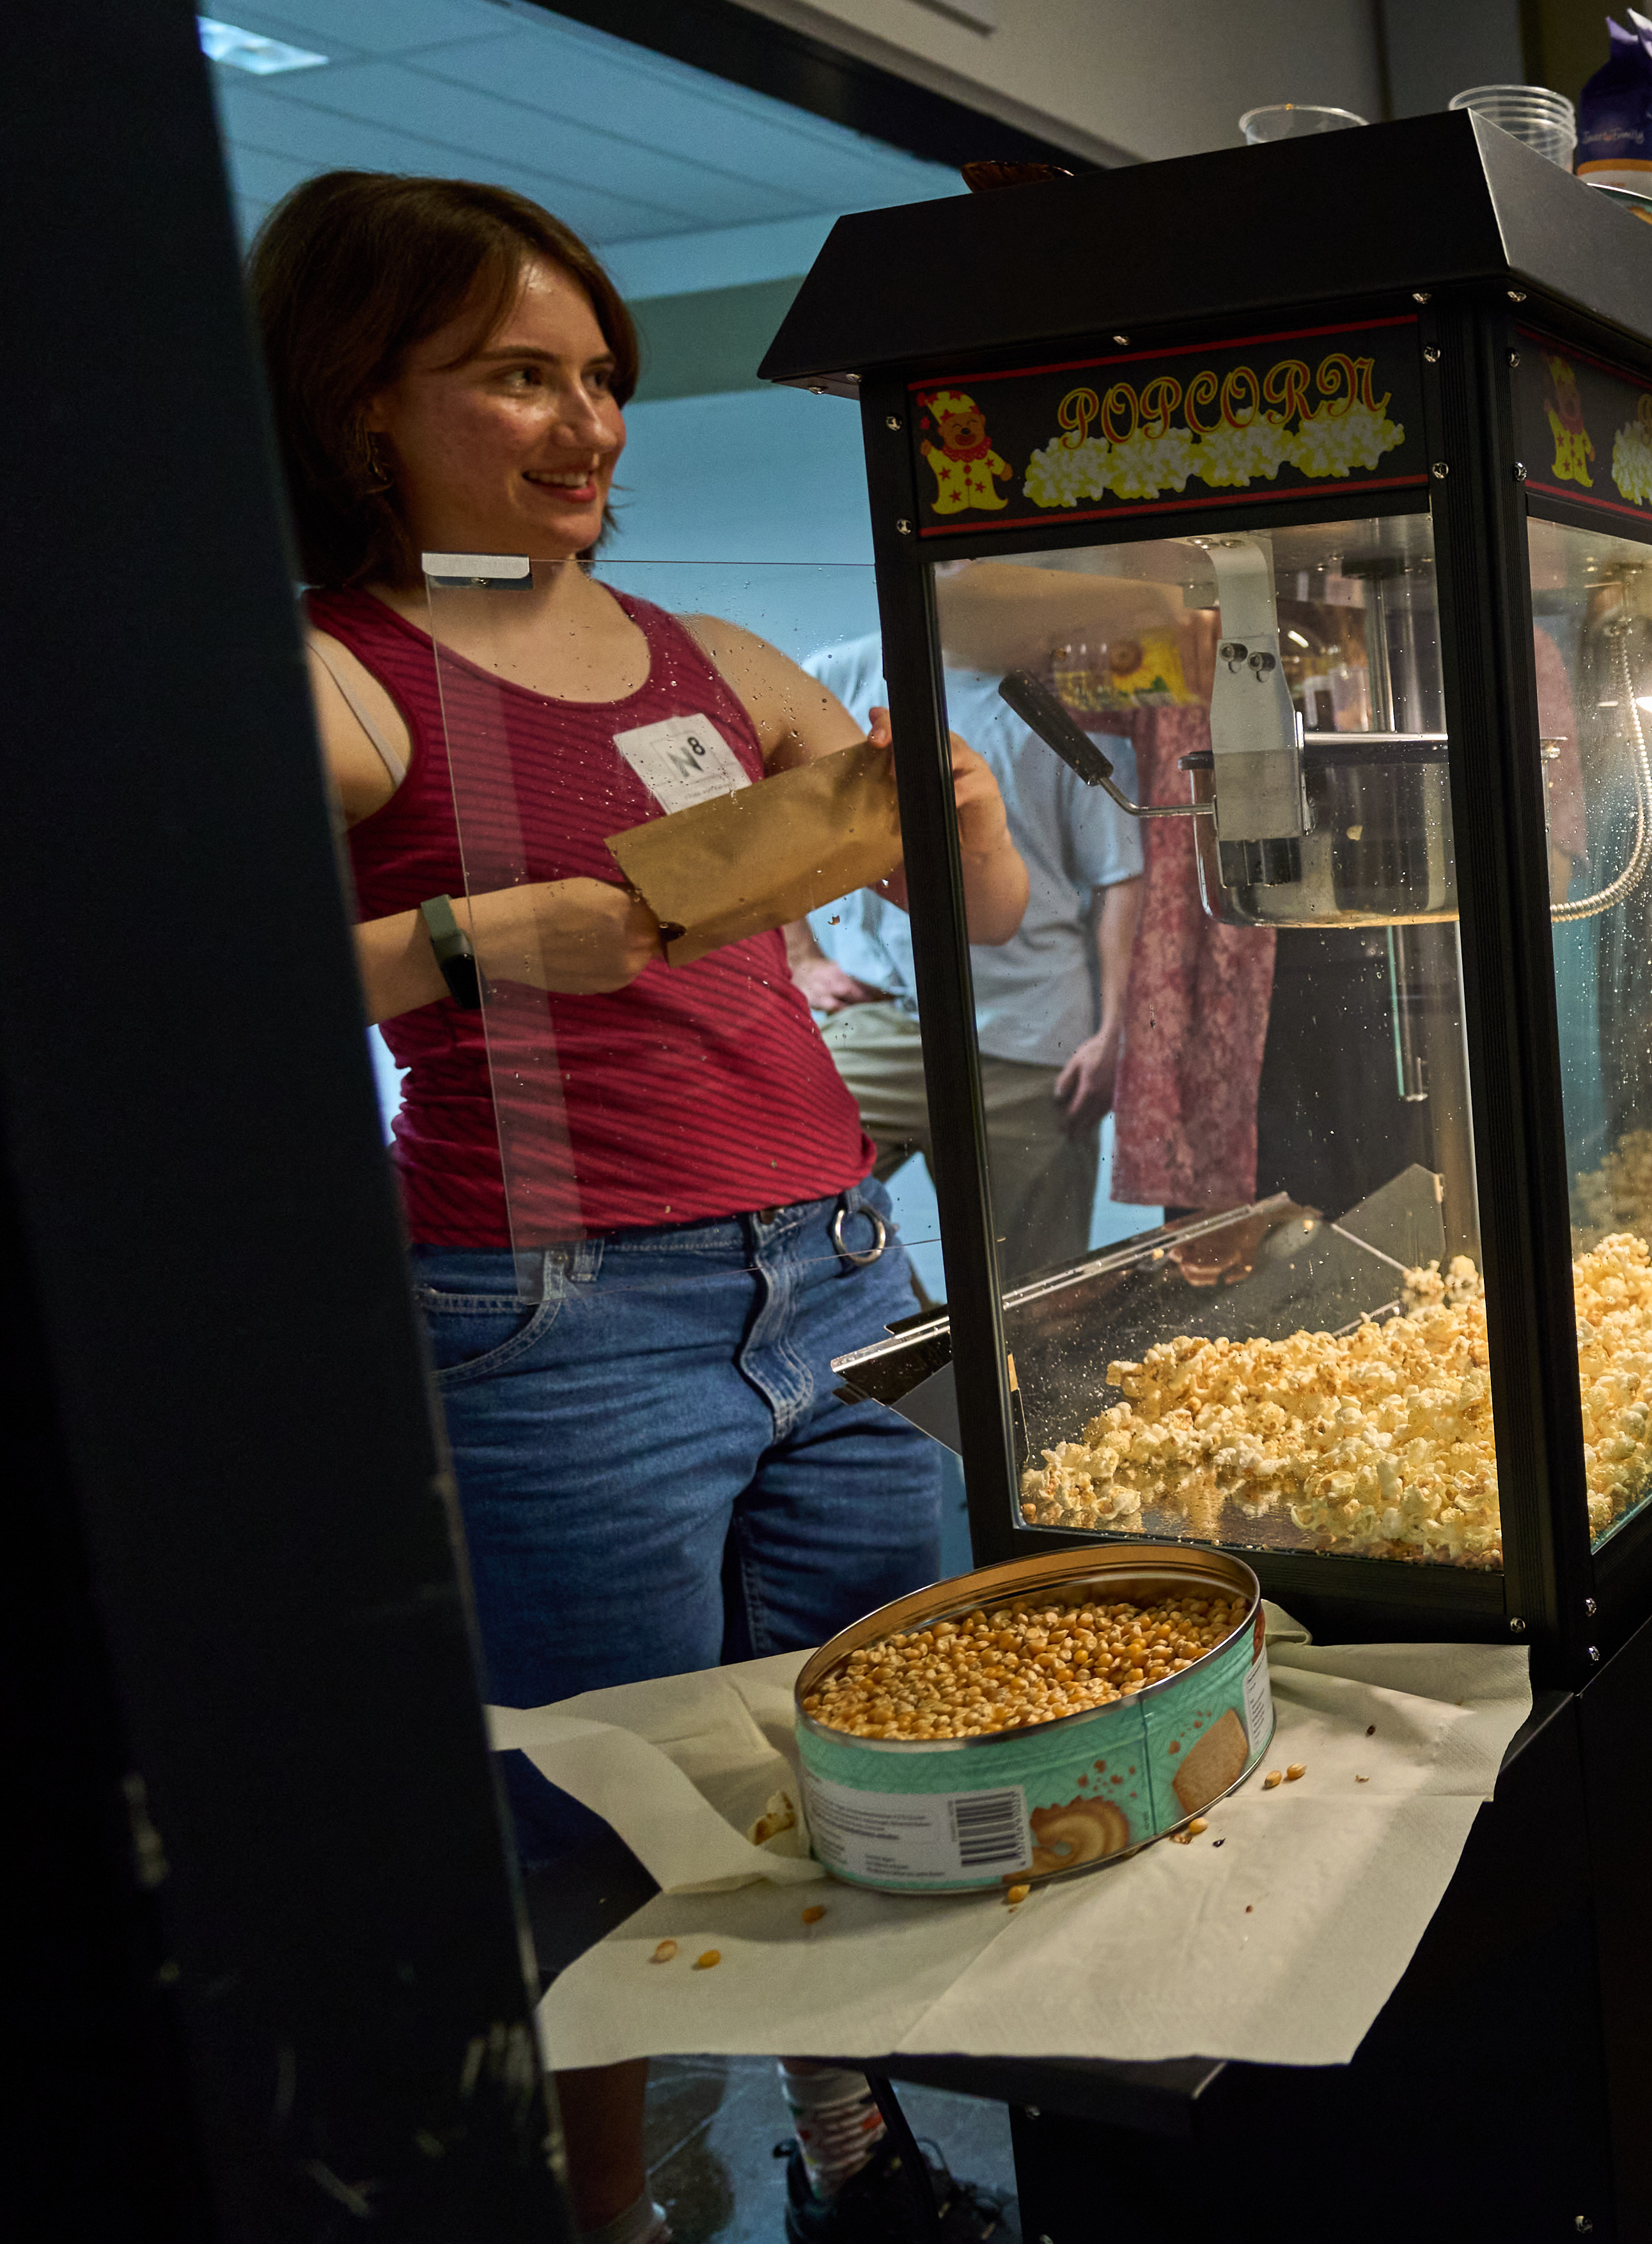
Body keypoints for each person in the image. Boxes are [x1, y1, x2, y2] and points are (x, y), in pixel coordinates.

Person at [276, 168, 1025, 2244]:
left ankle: (850, 2141)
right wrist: (466, 938)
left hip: (837, 1279)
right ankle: (602, 2217)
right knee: (598, 1838)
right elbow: (162, 969)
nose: (588, 421)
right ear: (365, 405)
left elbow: (982, 911)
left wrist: (941, 812)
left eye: (598, 376)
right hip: (557, 1323)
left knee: (869, 1763)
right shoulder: (339, 675)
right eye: (517, 378)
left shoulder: (706, 662)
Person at [788, 633, 1148, 1287]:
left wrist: (1115, 1032)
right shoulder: (833, 678)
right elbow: (763, 819)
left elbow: (1118, 877)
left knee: (1039, 1299)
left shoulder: (1068, 698)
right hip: (875, 1021)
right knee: (790, 1224)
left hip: (1030, 1039)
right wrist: (801, 957)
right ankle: (918, 1362)